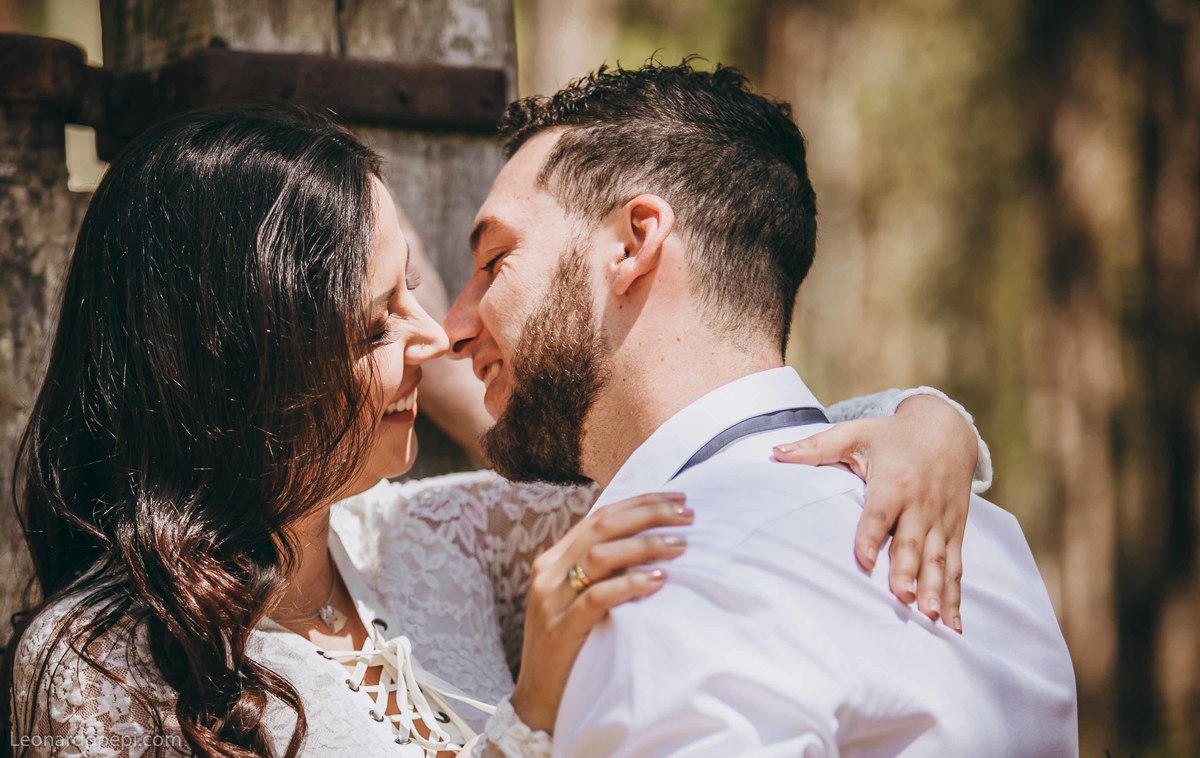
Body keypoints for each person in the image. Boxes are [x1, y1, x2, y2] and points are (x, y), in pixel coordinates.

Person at [1, 104, 988, 758]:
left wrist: (925, 422)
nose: (434, 337)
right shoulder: (95, 667)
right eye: (377, 323)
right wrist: (531, 713)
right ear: (242, 365)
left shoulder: (442, 538)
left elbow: (718, 458)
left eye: (410, 290)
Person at [444, 61, 1079, 755]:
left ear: (633, 244)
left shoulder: (666, 585)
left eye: (495, 261)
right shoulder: (988, 545)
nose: (454, 327)